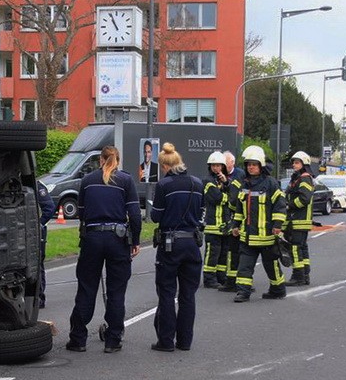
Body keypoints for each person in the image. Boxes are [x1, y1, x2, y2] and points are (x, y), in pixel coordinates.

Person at [66, 145, 141, 353]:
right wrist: (134, 240)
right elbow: (134, 214)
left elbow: (81, 213)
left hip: (92, 238)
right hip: (117, 239)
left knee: (87, 288)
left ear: (100, 159)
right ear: (118, 159)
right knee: (116, 291)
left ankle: (78, 338)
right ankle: (113, 340)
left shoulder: (87, 180)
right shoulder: (125, 181)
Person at [149, 143, 204, 351]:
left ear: (165, 166)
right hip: (192, 243)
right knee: (188, 295)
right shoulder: (197, 184)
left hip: (171, 244)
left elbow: (156, 216)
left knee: (166, 293)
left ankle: (166, 341)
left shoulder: (165, 185)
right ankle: (185, 341)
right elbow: (200, 214)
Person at [231, 145, 287, 303]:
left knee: (271, 266)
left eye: (254, 164)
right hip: (247, 236)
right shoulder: (244, 184)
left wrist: (277, 225)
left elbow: (280, 206)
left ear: (261, 165)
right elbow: (239, 209)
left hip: (266, 237)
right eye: (248, 164)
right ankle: (243, 292)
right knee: (244, 266)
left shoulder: (271, 184)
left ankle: (278, 289)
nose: (251, 167)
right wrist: (235, 225)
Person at [284, 151, 315, 286]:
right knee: (301, 248)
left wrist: (289, 205)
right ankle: (305, 274)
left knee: (295, 248)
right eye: (293, 162)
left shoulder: (304, 178)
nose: (294, 165)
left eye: (297, 162)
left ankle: (298, 276)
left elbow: (304, 198)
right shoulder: (298, 178)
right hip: (298, 220)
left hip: (299, 220)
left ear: (304, 164)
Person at [218, 151, 245, 291]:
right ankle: (231, 281)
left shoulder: (240, 175)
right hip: (229, 218)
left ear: (232, 162)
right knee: (230, 251)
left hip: (238, 218)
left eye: (226, 162)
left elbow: (235, 199)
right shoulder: (219, 176)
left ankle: (237, 282)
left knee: (237, 252)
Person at [201, 151, 227, 288]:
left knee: (223, 254)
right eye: (214, 165)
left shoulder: (222, 181)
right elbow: (218, 198)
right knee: (212, 253)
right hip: (212, 225)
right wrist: (228, 196)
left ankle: (221, 277)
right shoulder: (208, 181)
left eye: (219, 165)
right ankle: (209, 279)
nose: (216, 168)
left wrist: (226, 183)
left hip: (223, 225)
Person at [36, 180, 57, 306]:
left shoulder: (37, 185)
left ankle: (39, 297)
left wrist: (39, 224)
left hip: (36, 233)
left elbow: (49, 208)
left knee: (38, 264)